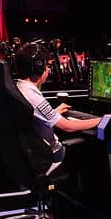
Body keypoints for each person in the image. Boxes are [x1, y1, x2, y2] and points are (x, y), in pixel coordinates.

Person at [14, 42, 101, 174]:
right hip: (50, 157)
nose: (49, 70)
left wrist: (54, 113)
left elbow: (34, 118)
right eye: (47, 66)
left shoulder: (20, 87)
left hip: (31, 154)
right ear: (38, 68)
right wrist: (101, 120)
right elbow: (68, 127)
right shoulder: (32, 96)